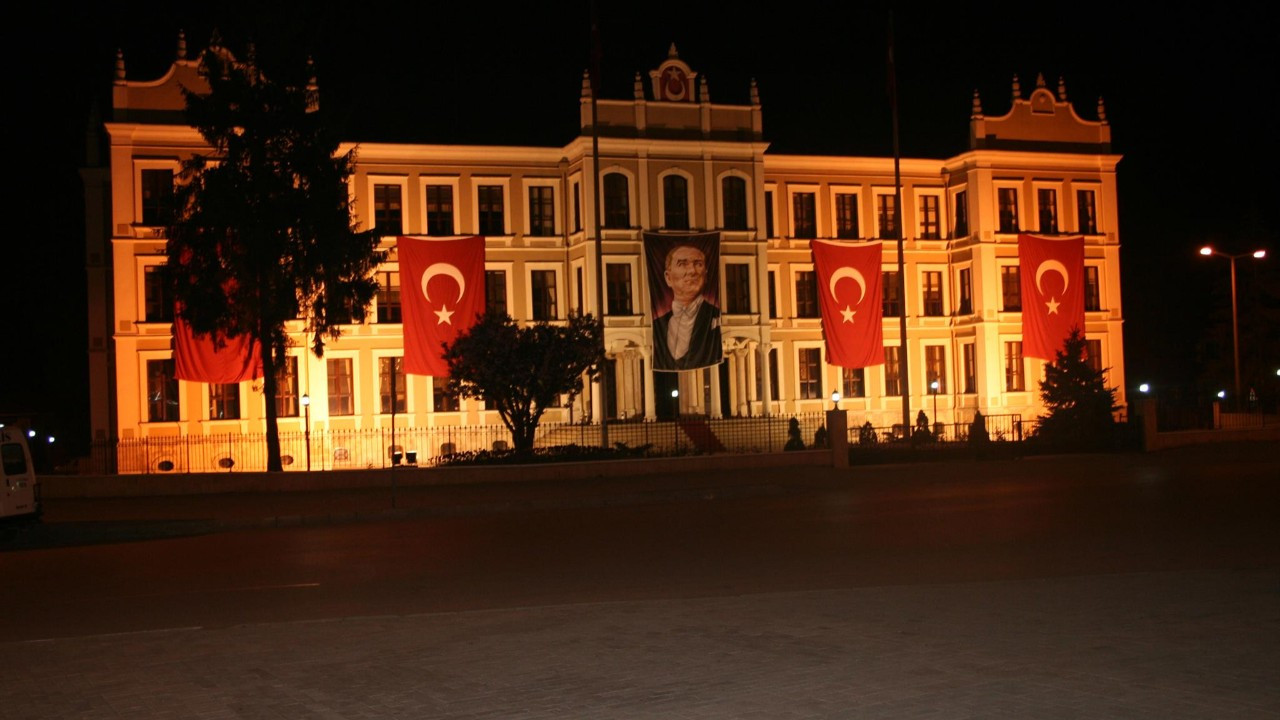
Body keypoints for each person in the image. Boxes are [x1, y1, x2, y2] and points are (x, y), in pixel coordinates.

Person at [652, 243, 721, 370]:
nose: (691, 271)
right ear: (668, 277)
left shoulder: (715, 318)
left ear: (705, 275)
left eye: (698, 264)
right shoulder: (657, 324)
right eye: (682, 264)